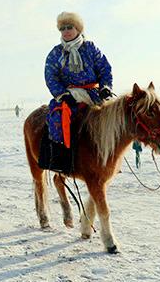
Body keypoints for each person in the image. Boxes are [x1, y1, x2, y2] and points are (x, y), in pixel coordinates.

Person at [41, 12, 113, 173]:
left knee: (110, 120)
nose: (66, 31)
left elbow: (104, 68)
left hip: (93, 94)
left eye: (69, 27)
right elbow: (50, 76)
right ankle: (61, 160)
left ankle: (108, 157)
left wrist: (105, 87)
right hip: (68, 95)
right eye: (62, 28)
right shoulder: (55, 53)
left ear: (77, 28)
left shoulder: (90, 48)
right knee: (57, 120)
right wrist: (61, 94)